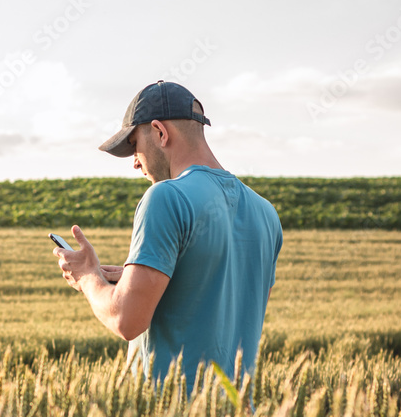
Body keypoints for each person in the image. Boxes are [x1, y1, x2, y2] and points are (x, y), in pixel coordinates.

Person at [53, 80, 282, 395]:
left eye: (135, 146)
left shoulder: (165, 197)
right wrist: (152, 277)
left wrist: (88, 277)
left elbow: (126, 320)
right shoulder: (266, 213)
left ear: (160, 133)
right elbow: (230, 303)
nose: (135, 162)